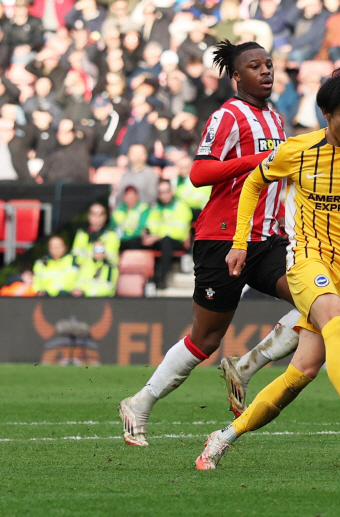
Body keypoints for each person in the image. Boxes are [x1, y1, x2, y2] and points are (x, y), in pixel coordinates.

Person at [196, 68, 340, 470]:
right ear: (326, 114)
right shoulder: (297, 150)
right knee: (333, 319)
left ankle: (223, 437)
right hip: (307, 260)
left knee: (301, 372)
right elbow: (252, 185)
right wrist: (239, 243)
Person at [119, 42, 302, 448]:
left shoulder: (276, 118)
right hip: (222, 237)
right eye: (255, 66)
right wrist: (256, 162)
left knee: (319, 303)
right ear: (237, 77)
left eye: (268, 64)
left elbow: (276, 176)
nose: (266, 71)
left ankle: (245, 366)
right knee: (206, 339)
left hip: (267, 239)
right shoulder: (228, 115)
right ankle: (139, 402)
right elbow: (200, 173)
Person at [142, 180, 194, 289]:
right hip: (158, 240)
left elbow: (180, 232)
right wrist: (147, 235)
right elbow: (151, 225)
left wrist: (158, 235)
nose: (165, 195)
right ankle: (142, 279)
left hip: (177, 241)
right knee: (137, 242)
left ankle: (163, 277)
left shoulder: (182, 207)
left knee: (166, 241)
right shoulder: (155, 207)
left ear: (172, 191)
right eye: (161, 192)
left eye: (167, 191)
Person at [112, 186, 150, 250]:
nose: (130, 198)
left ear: (137, 196)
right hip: (120, 239)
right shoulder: (118, 210)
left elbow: (142, 228)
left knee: (134, 242)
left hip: (135, 238)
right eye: (128, 196)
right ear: (124, 197)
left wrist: (126, 236)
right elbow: (113, 226)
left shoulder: (143, 208)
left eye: (132, 196)